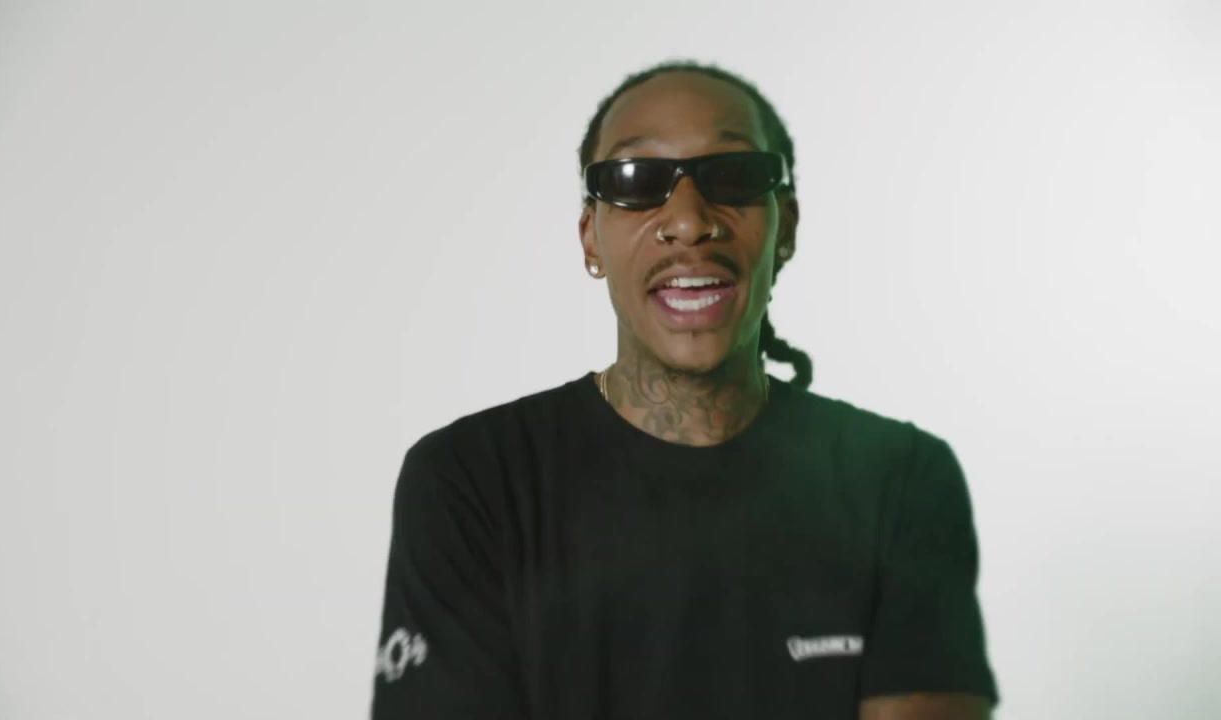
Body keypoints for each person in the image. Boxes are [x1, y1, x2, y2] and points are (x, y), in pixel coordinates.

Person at [369, 59, 999, 719]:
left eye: (735, 175)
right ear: (590, 238)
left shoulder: (900, 479)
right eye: (637, 181)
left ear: (785, 226)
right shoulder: (473, 480)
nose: (690, 220)